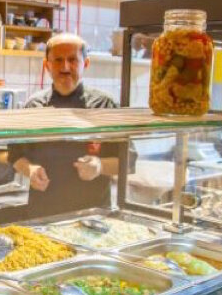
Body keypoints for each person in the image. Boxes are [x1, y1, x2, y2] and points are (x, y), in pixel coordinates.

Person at [9, 33, 135, 217]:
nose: (65, 67)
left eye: (72, 60)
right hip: (43, 213)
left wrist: (100, 166)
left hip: (92, 214)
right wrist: (30, 169)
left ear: (86, 63)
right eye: (58, 60)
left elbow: (129, 162)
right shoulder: (34, 106)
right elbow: (14, 155)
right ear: (47, 65)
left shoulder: (106, 105)